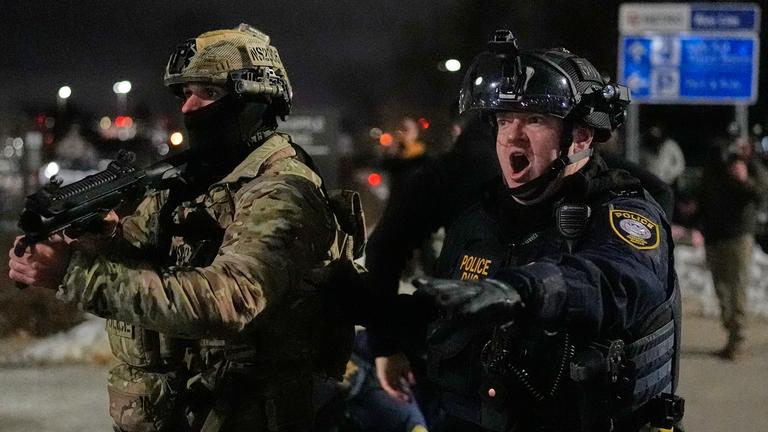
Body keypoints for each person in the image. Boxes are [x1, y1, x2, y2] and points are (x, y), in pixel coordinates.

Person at [8, 24, 360, 432]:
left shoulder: (284, 191)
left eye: (208, 93)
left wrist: (74, 273)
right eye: (186, 93)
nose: (189, 108)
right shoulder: (190, 179)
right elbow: (156, 265)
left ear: (256, 100)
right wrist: (102, 241)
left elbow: (228, 300)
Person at [375, 30, 683, 431]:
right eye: (505, 120)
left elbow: (615, 280)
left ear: (581, 137)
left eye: (535, 119)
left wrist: (527, 289)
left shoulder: (622, 213)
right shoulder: (479, 216)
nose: (512, 136)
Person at [697, 136, 768, 360]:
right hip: (715, 234)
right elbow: (703, 197)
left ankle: (739, 338)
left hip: (739, 235)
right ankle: (732, 333)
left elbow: (760, 194)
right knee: (721, 288)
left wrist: (744, 178)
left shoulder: (749, 165)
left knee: (737, 285)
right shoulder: (713, 168)